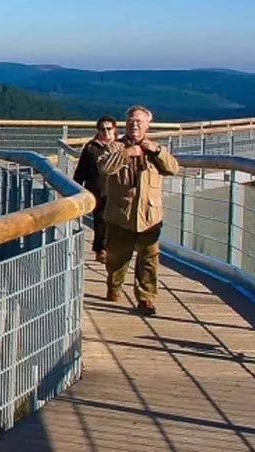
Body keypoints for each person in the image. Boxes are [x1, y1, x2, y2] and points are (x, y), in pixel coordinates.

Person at [96, 105, 180, 315]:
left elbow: (173, 168)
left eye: (139, 121)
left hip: (150, 216)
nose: (135, 124)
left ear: (147, 125)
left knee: (149, 259)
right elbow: (104, 168)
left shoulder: (156, 148)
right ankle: (114, 287)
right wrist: (127, 154)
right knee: (117, 259)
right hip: (120, 215)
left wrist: (156, 151)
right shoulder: (115, 147)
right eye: (131, 120)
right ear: (126, 124)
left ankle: (146, 298)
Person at [71, 116, 118, 263]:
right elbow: (81, 170)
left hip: (118, 190)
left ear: (115, 129)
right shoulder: (91, 147)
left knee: (115, 221)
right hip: (97, 189)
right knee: (100, 220)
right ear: (98, 131)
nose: (106, 132)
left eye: (109, 129)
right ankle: (101, 249)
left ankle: (112, 248)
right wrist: (75, 188)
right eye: (102, 129)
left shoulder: (121, 146)